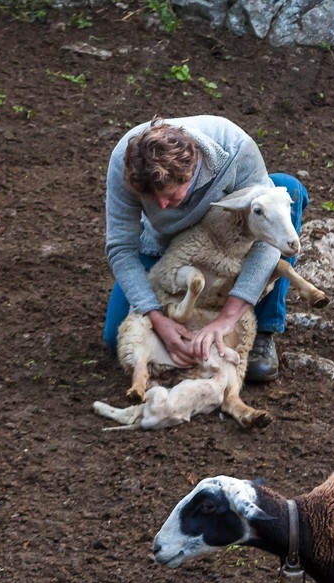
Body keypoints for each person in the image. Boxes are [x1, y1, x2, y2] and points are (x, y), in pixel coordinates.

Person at [103, 114, 308, 383]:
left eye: (170, 195)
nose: (161, 206)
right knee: (113, 337)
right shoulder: (124, 161)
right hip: (165, 246)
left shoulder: (235, 149)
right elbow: (121, 247)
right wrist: (154, 316)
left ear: (192, 172)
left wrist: (227, 319)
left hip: (225, 241)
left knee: (287, 190)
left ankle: (264, 331)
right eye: (152, 198)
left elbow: (267, 242)